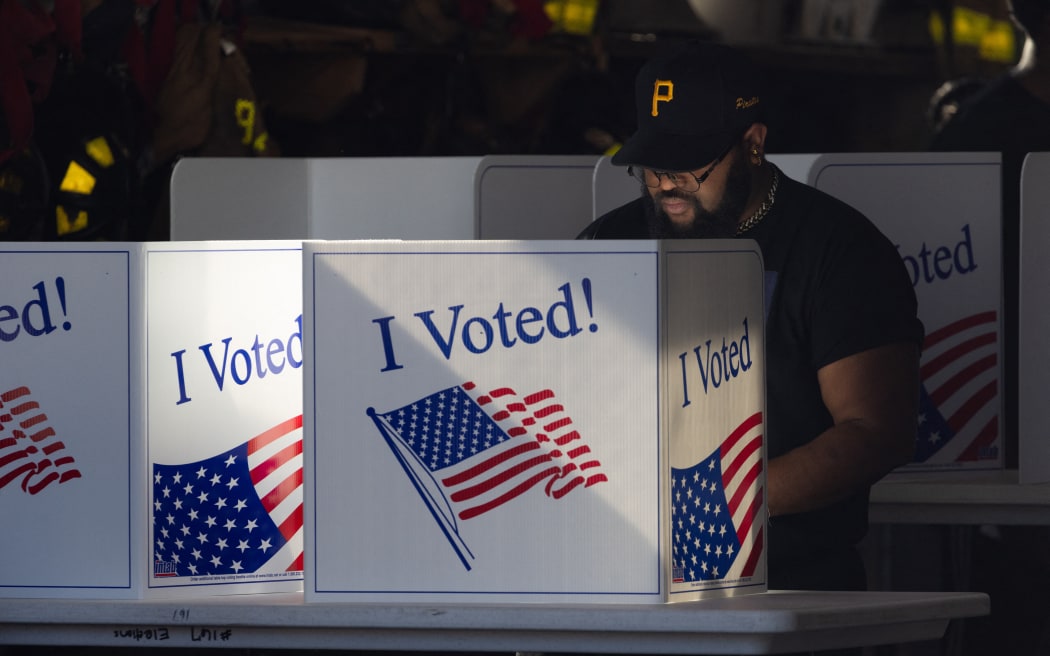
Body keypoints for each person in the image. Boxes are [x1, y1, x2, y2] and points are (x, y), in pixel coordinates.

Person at [580, 40, 925, 593]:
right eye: (651, 164)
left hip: (789, 578)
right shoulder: (609, 241)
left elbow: (875, 430)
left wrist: (708, 510)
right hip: (624, 571)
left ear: (753, 144)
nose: (666, 184)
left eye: (690, 164)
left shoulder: (837, 248)